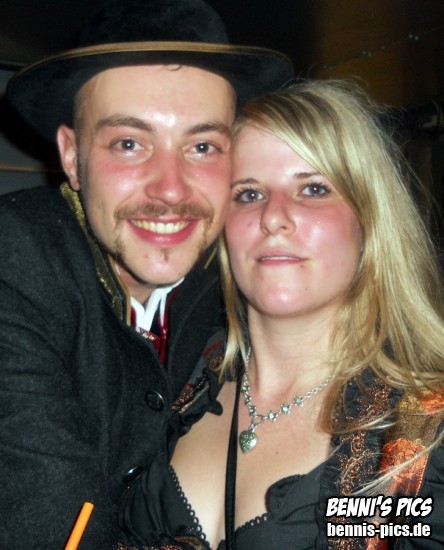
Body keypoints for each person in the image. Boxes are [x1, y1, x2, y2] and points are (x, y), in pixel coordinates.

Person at [0, 0, 293, 547]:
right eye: (129, 144)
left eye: (202, 146)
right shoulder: (14, 263)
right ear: (71, 156)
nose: (171, 189)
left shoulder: (248, 274)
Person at [119, 80, 444, 549]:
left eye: (313, 188)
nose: (273, 217)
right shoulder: (168, 384)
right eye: (248, 194)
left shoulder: (423, 431)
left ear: (369, 220)